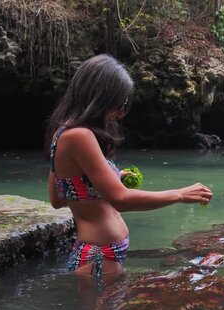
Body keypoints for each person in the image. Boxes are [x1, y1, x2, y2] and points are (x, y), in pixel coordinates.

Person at [44, 54, 213, 286]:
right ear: (99, 98)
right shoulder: (80, 136)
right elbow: (121, 200)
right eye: (118, 104)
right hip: (100, 257)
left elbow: (59, 197)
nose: (120, 113)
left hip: (97, 255)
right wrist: (180, 194)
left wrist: (111, 178)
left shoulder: (62, 134)